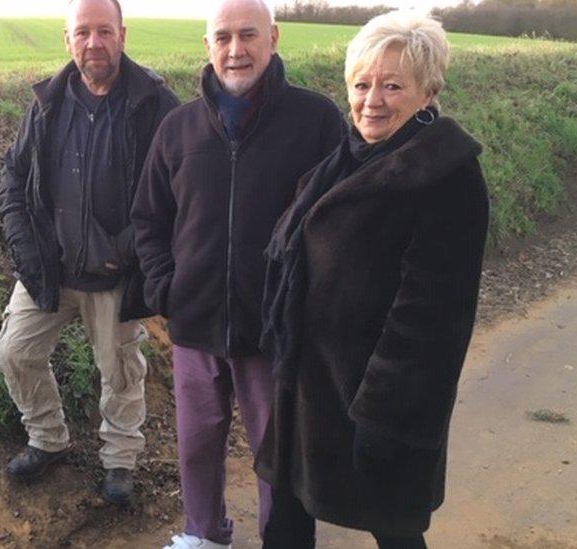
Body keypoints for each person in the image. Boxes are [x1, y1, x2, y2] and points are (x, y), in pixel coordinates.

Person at [256, 11, 490, 549]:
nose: (372, 100)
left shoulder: (446, 176)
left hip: (376, 401)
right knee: (285, 526)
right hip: (308, 389)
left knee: (396, 532)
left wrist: (385, 417)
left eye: (392, 86)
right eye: (362, 84)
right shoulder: (349, 156)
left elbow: (432, 318)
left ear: (428, 91)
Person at [132, 0, 345, 545]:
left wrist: (307, 302)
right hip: (195, 323)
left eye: (247, 34)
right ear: (207, 46)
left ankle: (284, 538)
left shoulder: (317, 120)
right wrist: (165, 288)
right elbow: (148, 219)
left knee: (277, 453)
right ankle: (203, 533)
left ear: (273, 38)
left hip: (275, 329)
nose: (235, 49)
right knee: (196, 443)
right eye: (222, 36)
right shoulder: (176, 129)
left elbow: (341, 223)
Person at [0, 0, 179, 505]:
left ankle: (119, 462)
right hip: (52, 268)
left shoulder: (155, 105)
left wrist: (133, 250)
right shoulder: (47, 104)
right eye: (83, 32)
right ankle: (48, 439)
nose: (93, 43)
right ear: (67, 39)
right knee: (14, 352)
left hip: (116, 275)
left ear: (123, 34)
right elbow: (13, 177)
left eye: (104, 31)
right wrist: (27, 254)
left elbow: (179, 190)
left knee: (119, 370)